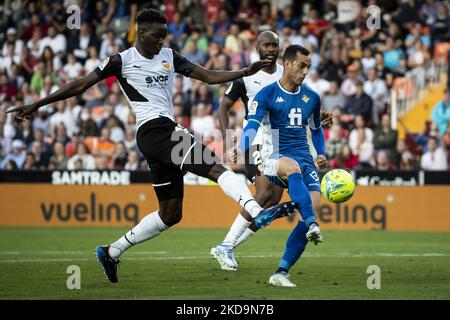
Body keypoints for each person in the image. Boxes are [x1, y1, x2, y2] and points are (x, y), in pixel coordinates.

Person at [6, 8, 296, 283]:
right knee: (215, 167)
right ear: (141, 32)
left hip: (159, 136)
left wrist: (245, 71)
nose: (162, 41)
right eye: (157, 36)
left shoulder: (169, 55)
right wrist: (36, 104)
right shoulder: (121, 60)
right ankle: (257, 212)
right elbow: (81, 84)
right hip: (155, 129)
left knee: (170, 214)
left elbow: (208, 77)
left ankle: (111, 251)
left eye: (164, 36)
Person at [211, 31, 332, 271]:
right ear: (256, 47)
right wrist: (229, 140)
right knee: (266, 193)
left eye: (274, 45)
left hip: (283, 142)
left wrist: (317, 119)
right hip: (257, 139)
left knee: (273, 198)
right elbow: (223, 107)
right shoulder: (246, 76)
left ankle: (228, 245)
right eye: (266, 44)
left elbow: (298, 107)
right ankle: (226, 244)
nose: (270, 49)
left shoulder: (288, 72)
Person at [239, 45, 328, 287]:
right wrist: (240, 146)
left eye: (309, 67)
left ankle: (281, 272)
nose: (305, 71)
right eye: (301, 66)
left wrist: (321, 153)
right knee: (291, 169)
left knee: (314, 202)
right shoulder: (267, 94)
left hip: (304, 157)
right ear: (287, 64)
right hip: (273, 155)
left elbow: (317, 129)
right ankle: (311, 224)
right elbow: (252, 126)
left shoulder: (312, 97)